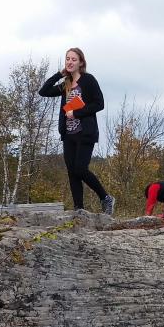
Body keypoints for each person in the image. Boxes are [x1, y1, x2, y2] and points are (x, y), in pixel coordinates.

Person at [39, 48, 115, 215]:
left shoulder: (88, 80)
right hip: (68, 134)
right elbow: (43, 91)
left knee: (80, 169)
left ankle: (105, 197)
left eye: (74, 59)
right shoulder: (65, 83)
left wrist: (77, 113)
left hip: (85, 132)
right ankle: (78, 209)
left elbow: (99, 103)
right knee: (72, 172)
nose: (70, 62)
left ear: (81, 62)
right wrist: (59, 74)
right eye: (67, 59)